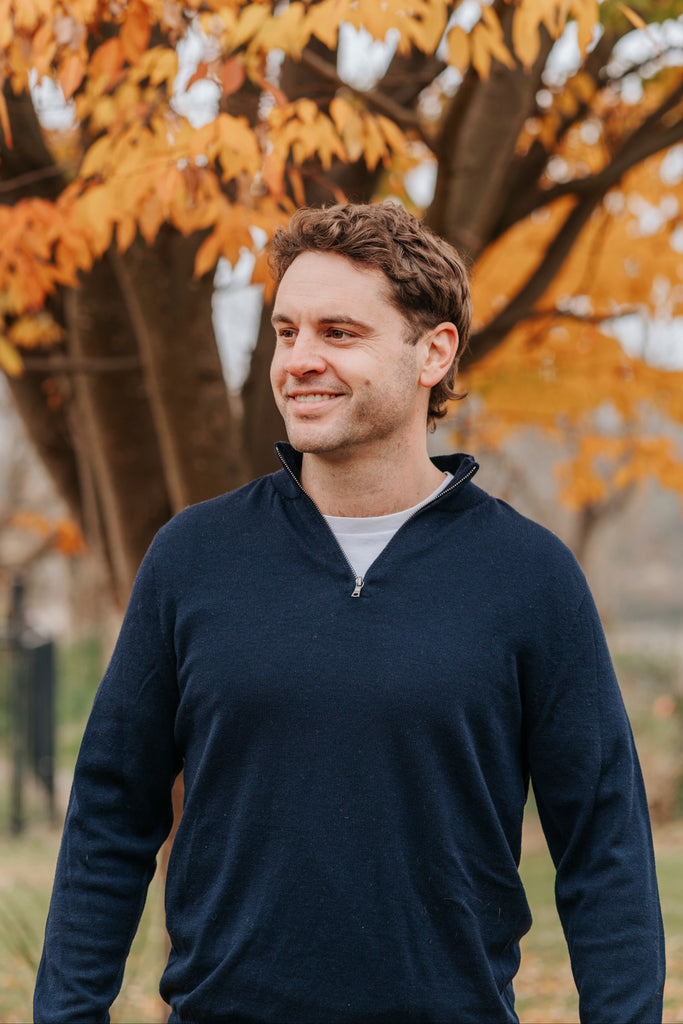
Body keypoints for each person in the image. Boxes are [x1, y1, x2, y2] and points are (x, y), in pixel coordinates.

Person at [34, 201, 665, 1024]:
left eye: (338, 333)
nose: (299, 360)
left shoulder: (529, 576)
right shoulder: (192, 558)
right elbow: (110, 816)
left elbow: (603, 846)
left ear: (433, 352)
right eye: (285, 330)